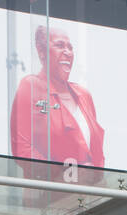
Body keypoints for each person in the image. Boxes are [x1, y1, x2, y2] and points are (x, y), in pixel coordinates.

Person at [10, 24, 104, 173]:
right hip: (49, 191)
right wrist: (64, 174)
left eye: (70, 47)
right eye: (60, 45)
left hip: (89, 191)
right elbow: (22, 148)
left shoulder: (84, 95)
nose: (67, 52)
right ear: (41, 52)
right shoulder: (31, 87)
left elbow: (97, 153)